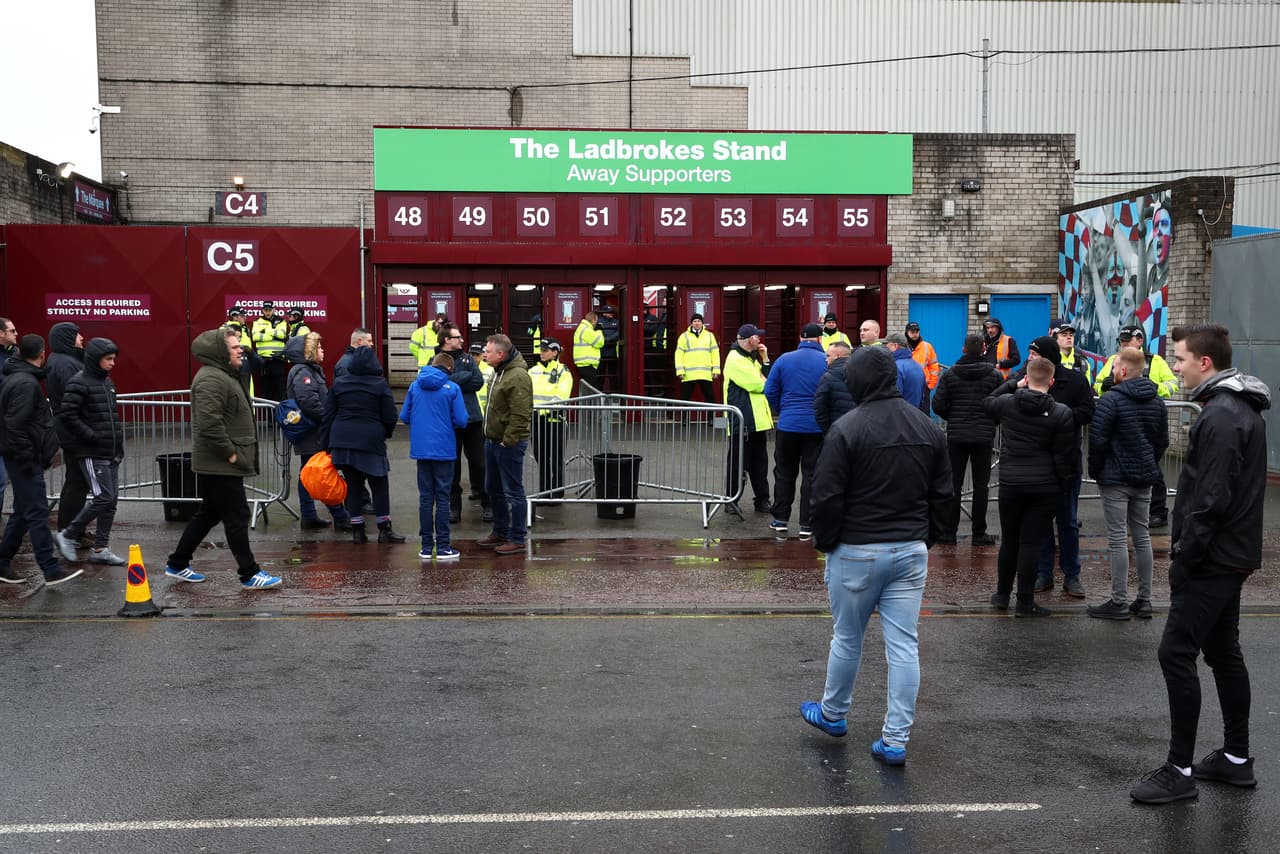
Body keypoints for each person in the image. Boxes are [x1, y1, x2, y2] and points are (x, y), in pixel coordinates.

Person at [1129, 324, 1269, 805]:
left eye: (1182, 359)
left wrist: (1185, 554)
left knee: (1176, 652)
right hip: (1229, 555)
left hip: (1213, 557)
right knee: (1223, 651)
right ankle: (1234, 760)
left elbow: (1211, 497)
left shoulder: (1223, 416)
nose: (1177, 367)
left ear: (1205, 363)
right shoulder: (1232, 409)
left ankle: (1179, 770)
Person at [800, 347, 951, 766]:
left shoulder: (847, 428)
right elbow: (943, 495)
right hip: (910, 548)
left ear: (859, 381)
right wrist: (927, 539)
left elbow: (825, 496)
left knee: (848, 637)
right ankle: (895, 739)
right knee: (904, 645)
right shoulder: (927, 427)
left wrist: (826, 543)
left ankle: (833, 714)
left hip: (857, 548)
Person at [164, 327, 279, 589]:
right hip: (219, 464)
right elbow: (209, 425)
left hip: (220, 463)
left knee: (208, 513)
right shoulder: (211, 380)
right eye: (235, 346)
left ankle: (177, 563)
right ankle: (249, 574)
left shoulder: (226, 375)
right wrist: (231, 454)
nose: (242, 349)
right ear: (220, 353)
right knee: (237, 516)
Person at [995, 336, 1095, 598]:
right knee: (1039, 528)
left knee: (1068, 523)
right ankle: (1044, 573)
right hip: (1036, 468)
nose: (1029, 358)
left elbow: (1088, 410)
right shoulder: (1025, 376)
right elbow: (999, 396)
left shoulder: (1074, 381)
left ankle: (1072, 575)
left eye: (1033, 353)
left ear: (1046, 358)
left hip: (1066, 464)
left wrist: (1062, 418)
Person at [983, 357, 1075, 617]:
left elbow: (987, 401)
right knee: (1031, 544)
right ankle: (1025, 602)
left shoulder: (1008, 403)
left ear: (1027, 378)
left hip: (1011, 482)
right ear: (1052, 382)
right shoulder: (1061, 412)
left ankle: (1002, 595)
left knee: (1009, 541)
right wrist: (1063, 485)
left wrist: (1013, 384)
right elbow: (1062, 455)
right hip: (1044, 485)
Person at [1086, 346, 1168, 621]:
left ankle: (1119, 601)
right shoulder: (1156, 400)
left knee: (1119, 538)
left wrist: (1096, 470)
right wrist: (1149, 462)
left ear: (1122, 370)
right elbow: (1161, 441)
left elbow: (1097, 439)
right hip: (1144, 476)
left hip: (1115, 477)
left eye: (1113, 367)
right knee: (1142, 536)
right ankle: (1144, 600)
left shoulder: (1111, 400)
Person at [0, 335, 82, 587]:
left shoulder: (21, 378)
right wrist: (27, 458)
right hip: (24, 459)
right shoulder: (25, 383)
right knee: (36, 513)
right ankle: (50, 568)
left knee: (25, 512)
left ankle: (2, 561)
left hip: (24, 457)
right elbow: (14, 426)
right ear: (42, 353)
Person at [52, 338, 127, 567]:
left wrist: (116, 444)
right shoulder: (79, 382)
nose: (112, 363)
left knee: (110, 500)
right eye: (108, 359)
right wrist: (91, 436)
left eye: (114, 359)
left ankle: (101, 548)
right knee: (103, 497)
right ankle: (67, 535)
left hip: (110, 450)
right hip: (93, 452)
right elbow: (69, 415)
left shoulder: (106, 382)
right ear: (96, 359)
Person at [1094, 323, 1178, 528]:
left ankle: (1158, 511)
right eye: (1121, 342)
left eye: (1127, 341)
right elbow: (1097, 384)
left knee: (1153, 470)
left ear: (1139, 341)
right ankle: (1132, 512)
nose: (1123, 345)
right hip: (1122, 418)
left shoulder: (1155, 361)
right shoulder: (1114, 360)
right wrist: (1104, 385)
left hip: (1147, 419)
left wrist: (1154, 390)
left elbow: (1173, 383)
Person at [322, 345, 405, 544]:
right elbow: (390, 415)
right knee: (379, 484)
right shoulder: (379, 385)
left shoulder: (340, 384)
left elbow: (329, 415)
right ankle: (384, 529)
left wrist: (325, 445)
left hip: (342, 439)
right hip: (370, 440)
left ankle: (358, 530)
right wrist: (385, 432)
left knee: (353, 485)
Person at [931, 333, 1002, 546]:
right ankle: (979, 533)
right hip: (983, 435)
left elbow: (938, 405)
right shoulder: (994, 375)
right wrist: (991, 421)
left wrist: (952, 417)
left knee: (954, 484)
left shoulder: (951, 374)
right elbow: (1000, 403)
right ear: (983, 349)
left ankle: (948, 532)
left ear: (963, 349)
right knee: (982, 485)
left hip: (957, 435)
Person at [401, 352, 469, 562]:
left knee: (425, 498)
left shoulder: (415, 386)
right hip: (444, 450)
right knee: (442, 498)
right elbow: (462, 420)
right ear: (449, 369)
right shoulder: (452, 388)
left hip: (421, 450)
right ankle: (443, 547)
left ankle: (425, 547)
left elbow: (404, 417)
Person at [283, 332, 352, 531]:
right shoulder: (303, 372)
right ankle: (340, 516)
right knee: (320, 473)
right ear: (309, 351)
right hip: (313, 432)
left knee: (309, 473)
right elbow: (309, 402)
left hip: (313, 432)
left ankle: (310, 516)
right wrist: (327, 419)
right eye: (319, 347)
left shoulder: (307, 370)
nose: (322, 350)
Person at [763, 323, 826, 540]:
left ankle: (780, 519)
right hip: (816, 426)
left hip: (788, 425)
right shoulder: (826, 361)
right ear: (820, 339)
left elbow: (769, 390)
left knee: (784, 472)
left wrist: (783, 410)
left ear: (800, 337)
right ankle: (806, 524)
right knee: (811, 474)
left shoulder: (784, 359)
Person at [476, 334, 532, 556]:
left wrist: (507, 440)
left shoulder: (517, 376)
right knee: (493, 488)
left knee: (513, 491)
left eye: (488, 351)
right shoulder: (499, 372)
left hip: (507, 444)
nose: (484, 355)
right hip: (493, 441)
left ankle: (517, 538)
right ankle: (500, 531)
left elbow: (520, 414)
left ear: (500, 354)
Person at [722, 323, 772, 517]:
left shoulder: (752, 358)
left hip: (756, 421)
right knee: (738, 464)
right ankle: (731, 500)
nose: (760, 339)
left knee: (759, 464)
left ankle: (762, 500)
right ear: (749, 339)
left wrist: (765, 358)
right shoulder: (735, 359)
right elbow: (757, 384)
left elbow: (767, 379)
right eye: (757, 336)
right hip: (742, 421)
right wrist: (766, 381)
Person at [440, 325, 489, 523]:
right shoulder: (436, 360)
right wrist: (463, 377)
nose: (461, 340)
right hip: (449, 421)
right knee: (452, 467)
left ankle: (488, 504)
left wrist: (451, 380)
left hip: (472, 419)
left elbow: (478, 382)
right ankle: (454, 509)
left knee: (480, 463)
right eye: (457, 337)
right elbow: (438, 382)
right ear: (446, 340)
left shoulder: (468, 359)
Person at [47, 321, 89, 532]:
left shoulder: (64, 361)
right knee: (78, 481)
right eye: (77, 335)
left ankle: (72, 530)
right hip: (75, 431)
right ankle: (70, 532)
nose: (82, 338)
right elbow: (76, 398)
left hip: (71, 429)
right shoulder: (65, 364)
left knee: (77, 480)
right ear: (66, 338)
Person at [529, 339, 574, 500]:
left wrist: (542, 411)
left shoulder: (563, 372)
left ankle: (557, 492)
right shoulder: (533, 371)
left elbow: (561, 396)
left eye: (545, 350)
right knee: (540, 456)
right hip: (536, 420)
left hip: (554, 420)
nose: (541, 352)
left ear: (555, 352)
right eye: (541, 349)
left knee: (555, 458)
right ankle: (544, 491)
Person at [674, 313, 720, 405]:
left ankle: (711, 419)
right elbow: (679, 354)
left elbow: (715, 353)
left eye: (699, 321)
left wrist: (716, 370)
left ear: (702, 323)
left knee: (710, 398)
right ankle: (684, 419)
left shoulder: (710, 336)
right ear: (691, 323)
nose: (697, 323)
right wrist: (680, 371)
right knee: (685, 399)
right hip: (688, 374)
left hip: (705, 374)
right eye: (694, 321)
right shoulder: (684, 336)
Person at [813, 341, 855, 434]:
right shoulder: (863, 373)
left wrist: (828, 432)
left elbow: (819, 409)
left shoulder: (828, 377)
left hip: (836, 430)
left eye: (828, 356)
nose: (825, 359)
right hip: (858, 431)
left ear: (837, 356)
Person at [251, 300, 288, 400]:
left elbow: (282, 335)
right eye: (265, 310)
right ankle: (267, 416)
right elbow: (255, 337)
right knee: (266, 391)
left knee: (280, 390)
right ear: (262, 310)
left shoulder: (281, 321)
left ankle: (281, 415)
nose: (267, 312)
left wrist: (266, 330)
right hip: (264, 361)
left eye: (270, 310)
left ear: (274, 310)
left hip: (278, 360)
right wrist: (274, 334)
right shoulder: (257, 322)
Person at [882, 332, 927, 411]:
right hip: (915, 414)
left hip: (900, 417)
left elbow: (894, 398)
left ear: (895, 346)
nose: (884, 346)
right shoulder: (917, 366)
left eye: (886, 344)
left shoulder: (895, 366)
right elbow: (923, 396)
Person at [0, 317, 17, 511]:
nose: (16, 333)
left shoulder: (15, 354)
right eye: (12, 331)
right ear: (1, 333)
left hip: (9, 425)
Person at [905, 321, 940, 409]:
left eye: (916, 332)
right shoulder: (902, 347)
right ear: (907, 332)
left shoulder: (927, 346)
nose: (915, 334)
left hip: (924, 388)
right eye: (912, 332)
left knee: (924, 416)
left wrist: (930, 385)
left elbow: (934, 366)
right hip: (907, 387)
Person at [1050, 318, 1092, 386]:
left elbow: (1086, 388)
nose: (1069, 337)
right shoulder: (1048, 359)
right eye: (1064, 335)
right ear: (1055, 339)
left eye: (1071, 335)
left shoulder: (1082, 361)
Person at [572, 310, 604, 392]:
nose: (596, 324)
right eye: (596, 321)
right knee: (594, 389)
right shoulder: (586, 329)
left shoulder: (583, 328)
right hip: (586, 363)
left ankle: (589, 404)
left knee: (588, 389)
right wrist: (599, 330)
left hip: (584, 363)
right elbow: (599, 342)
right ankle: (595, 405)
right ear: (593, 320)